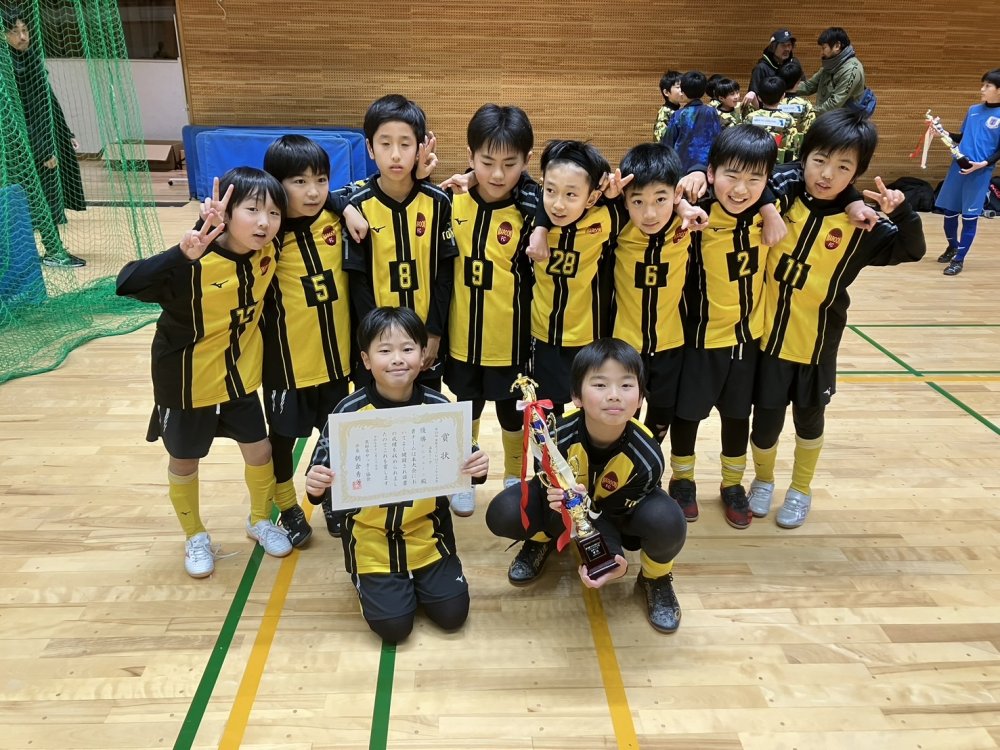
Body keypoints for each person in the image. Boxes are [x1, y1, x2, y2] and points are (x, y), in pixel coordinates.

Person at [748, 110, 926, 527]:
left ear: (857, 173)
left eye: (844, 167)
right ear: (804, 157)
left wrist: (901, 213)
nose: (827, 174)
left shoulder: (862, 226)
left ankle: (801, 489)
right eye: (820, 160)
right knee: (766, 422)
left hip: (817, 346)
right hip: (769, 340)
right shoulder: (783, 195)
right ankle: (763, 480)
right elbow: (764, 179)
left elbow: (912, 250)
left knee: (809, 422)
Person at [116, 167, 290, 577]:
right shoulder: (193, 261)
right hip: (185, 383)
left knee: (260, 451)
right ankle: (194, 535)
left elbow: (316, 202)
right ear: (225, 213)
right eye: (252, 210)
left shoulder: (270, 250)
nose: (264, 222)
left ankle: (259, 520)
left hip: (238, 377)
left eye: (273, 213)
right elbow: (126, 284)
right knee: (184, 461)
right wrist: (180, 252)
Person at [304, 307, 489, 643]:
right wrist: (315, 485)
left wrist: (478, 467)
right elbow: (319, 478)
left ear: (423, 354)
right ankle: (372, 580)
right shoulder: (348, 412)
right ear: (366, 359)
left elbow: (467, 465)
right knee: (394, 628)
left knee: (453, 616)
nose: (397, 359)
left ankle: (419, 578)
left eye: (407, 348)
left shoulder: (440, 407)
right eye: (385, 350)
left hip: (428, 532)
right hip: (371, 538)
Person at [485, 338, 688, 633]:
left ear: (641, 399)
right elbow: (544, 487)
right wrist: (555, 502)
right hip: (563, 511)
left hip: (619, 517)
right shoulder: (555, 435)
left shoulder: (648, 456)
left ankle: (655, 577)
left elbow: (611, 516)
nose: (614, 395)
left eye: (626, 385)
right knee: (504, 511)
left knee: (668, 521)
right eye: (600, 384)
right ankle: (541, 541)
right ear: (576, 396)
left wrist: (612, 557)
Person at [667, 125, 781, 530]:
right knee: (687, 416)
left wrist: (768, 206)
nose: (741, 189)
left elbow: (794, 180)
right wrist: (693, 174)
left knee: (737, 417)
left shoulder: (770, 207)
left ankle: (732, 484)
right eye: (731, 176)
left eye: (754, 179)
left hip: (746, 340)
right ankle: (682, 480)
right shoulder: (695, 212)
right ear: (713, 173)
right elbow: (659, 189)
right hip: (698, 340)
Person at [257, 135, 369, 543]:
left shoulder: (333, 219)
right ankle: (286, 504)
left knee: (334, 436)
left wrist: (345, 205)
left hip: (335, 360)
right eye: (300, 182)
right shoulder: (267, 233)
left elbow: (350, 193)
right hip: (287, 365)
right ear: (276, 184)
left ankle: (331, 497)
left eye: (321, 180)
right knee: (282, 441)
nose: (313, 192)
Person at [443, 104, 538, 496]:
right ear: (470, 157)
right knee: (466, 408)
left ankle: (514, 476)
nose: (498, 174)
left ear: (527, 161)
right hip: (461, 337)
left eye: (510, 164)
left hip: (510, 340)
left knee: (511, 414)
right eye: (486, 162)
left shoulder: (532, 211)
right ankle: (465, 475)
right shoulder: (450, 200)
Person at [345, 94, 457, 391]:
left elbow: (445, 273)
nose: (395, 155)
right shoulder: (356, 206)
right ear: (370, 148)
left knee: (425, 411)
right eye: (385, 144)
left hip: (424, 342)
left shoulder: (438, 203)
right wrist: (373, 339)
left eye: (405, 144)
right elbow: (357, 281)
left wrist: (434, 333)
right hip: (376, 344)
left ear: (420, 149)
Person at [526, 140, 625, 413]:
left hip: (588, 339)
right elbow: (518, 185)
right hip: (543, 336)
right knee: (546, 412)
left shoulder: (606, 219)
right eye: (551, 191)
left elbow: (641, 201)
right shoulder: (530, 214)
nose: (558, 204)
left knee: (591, 409)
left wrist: (612, 196)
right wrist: (540, 227)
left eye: (571, 195)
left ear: (591, 199)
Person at [610, 142, 690, 444]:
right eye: (638, 201)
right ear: (625, 201)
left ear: (676, 194)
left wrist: (693, 182)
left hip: (671, 344)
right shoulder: (617, 226)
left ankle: (649, 466)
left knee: (660, 417)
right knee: (622, 415)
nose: (650, 213)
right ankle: (618, 465)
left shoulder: (688, 224)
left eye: (660, 199)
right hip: (625, 345)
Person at [3, 8, 85, 267]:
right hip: (24, 149)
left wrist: (64, 133)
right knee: (38, 198)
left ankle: (47, 250)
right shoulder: (9, 70)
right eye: (14, 32)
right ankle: (51, 251)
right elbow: (29, 115)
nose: (22, 37)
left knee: (40, 199)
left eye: (25, 30)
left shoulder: (29, 61)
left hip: (36, 144)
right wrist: (44, 150)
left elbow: (48, 104)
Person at [935, 69, 1000, 276]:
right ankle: (953, 247)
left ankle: (959, 260)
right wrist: (942, 131)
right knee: (949, 213)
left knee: (969, 217)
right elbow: (961, 137)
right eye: (983, 85)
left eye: (987, 86)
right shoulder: (973, 110)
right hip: (958, 168)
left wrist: (983, 164)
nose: (982, 89)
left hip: (980, 173)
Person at [796, 27, 866, 114]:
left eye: (824, 48)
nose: (821, 53)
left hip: (842, 120)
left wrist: (809, 113)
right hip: (827, 118)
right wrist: (785, 89)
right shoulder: (830, 65)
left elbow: (834, 104)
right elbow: (809, 86)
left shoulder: (852, 70)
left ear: (837, 46)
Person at [665, 71, 723, 173]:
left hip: (682, 170)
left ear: (683, 91)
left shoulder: (678, 115)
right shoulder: (712, 112)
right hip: (706, 169)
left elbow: (668, 144)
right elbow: (719, 139)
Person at [743, 76, 798, 163]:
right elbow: (792, 146)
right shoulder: (788, 119)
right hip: (778, 163)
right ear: (783, 96)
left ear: (759, 98)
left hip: (754, 162)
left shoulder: (750, 117)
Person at [749, 28, 797, 101]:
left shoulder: (794, 63)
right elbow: (754, 95)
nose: (787, 49)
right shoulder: (761, 68)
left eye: (789, 45)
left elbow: (802, 85)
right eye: (783, 45)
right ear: (773, 47)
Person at [653, 70, 682, 144]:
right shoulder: (664, 112)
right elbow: (660, 141)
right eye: (678, 87)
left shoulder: (676, 111)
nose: (682, 90)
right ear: (666, 92)